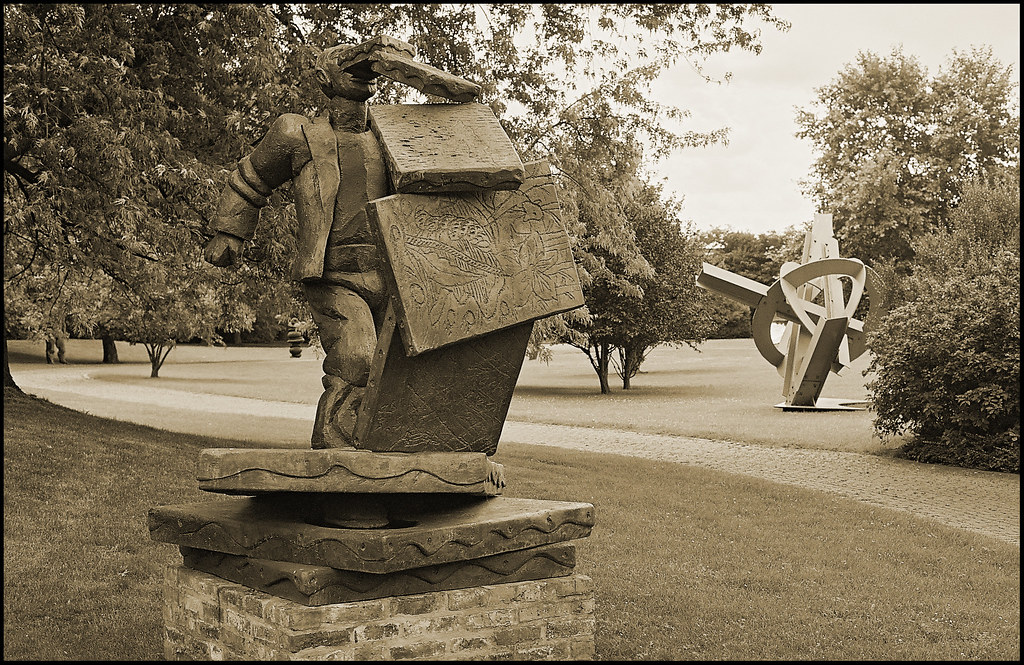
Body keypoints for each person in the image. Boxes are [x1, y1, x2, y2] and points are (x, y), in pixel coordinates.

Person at [204, 43, 389, 449]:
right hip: (334, 275)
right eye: (346, 65)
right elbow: (251, 177)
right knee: (358, 358)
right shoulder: (298, 133)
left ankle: (397, 455)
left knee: (403, 368)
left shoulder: (394, 134)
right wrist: (230, 231)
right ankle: (338, 452)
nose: (361, 72)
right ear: (325, 79)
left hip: (395, 275)